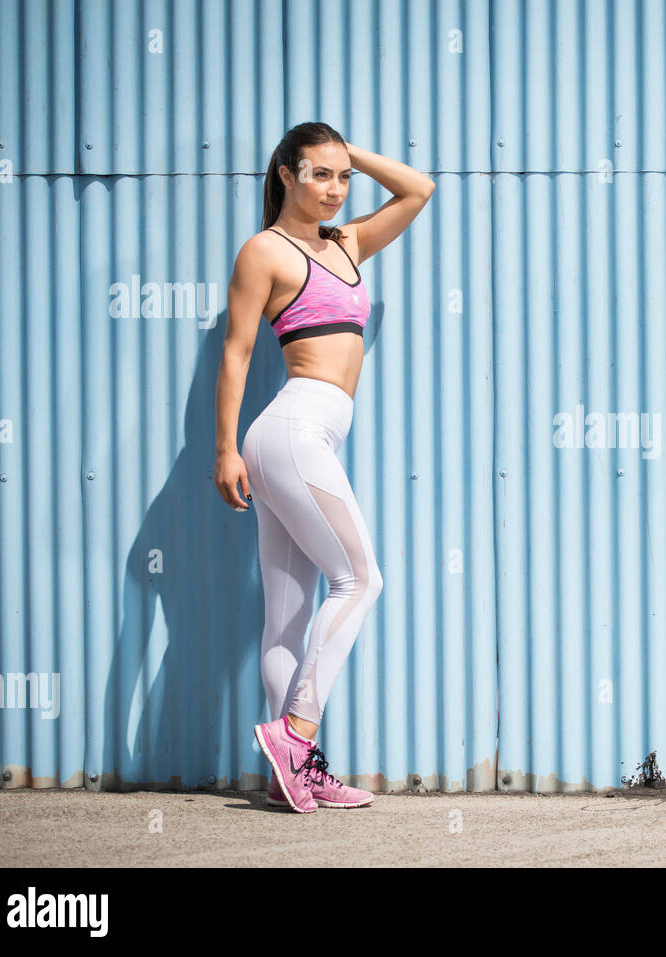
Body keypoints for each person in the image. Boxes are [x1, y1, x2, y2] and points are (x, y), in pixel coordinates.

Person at [213, 121, 434, 812]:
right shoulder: (264, 251)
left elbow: (419, 189)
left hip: (312, 435)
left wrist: (347, 151)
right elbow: (237, 353)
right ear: (285, 174)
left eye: (343, 178)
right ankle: (298, 732)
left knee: (287, 615)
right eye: (319, 175)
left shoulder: (347, 242)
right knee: (361, 579)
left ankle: (294, 774)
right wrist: (224, 448)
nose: (336, 189)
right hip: (290, 429)